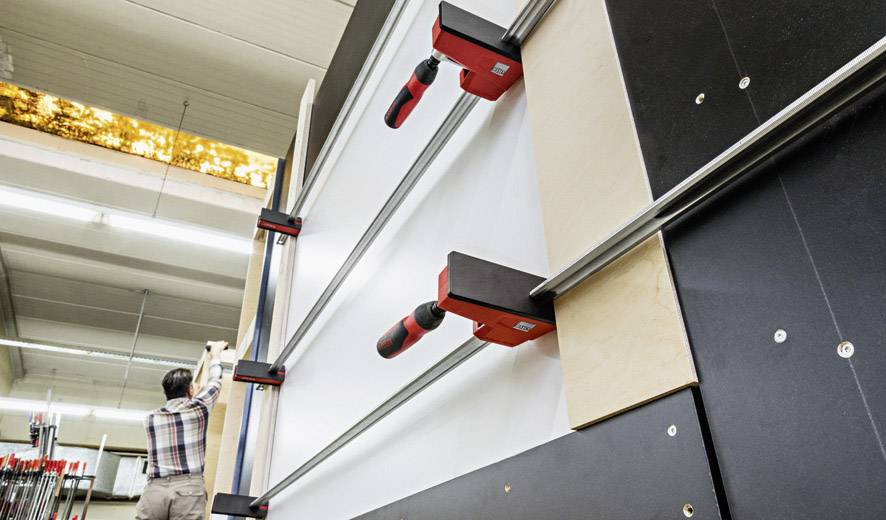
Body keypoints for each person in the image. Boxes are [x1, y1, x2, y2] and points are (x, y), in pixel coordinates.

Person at [135, 340, 227, 520]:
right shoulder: (199, 408)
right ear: (190, 390)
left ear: (165, 392)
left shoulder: (151, 418)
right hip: (188, 488)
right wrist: (216, 353)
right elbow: (215, 381)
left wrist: (194, 395)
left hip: (155, 490)